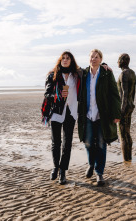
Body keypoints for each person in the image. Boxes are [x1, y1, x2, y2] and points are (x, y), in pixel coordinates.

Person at [78, 49, 121, 186]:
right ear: (88, 58)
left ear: (101, 60)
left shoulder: (107, 73)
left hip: (102, 115)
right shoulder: (84, 74)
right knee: (88, 142)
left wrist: (116, 114)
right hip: (88, 115)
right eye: (92, 56)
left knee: (102, 144)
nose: (94, 59)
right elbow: (70, 70)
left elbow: (114, 94)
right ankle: (91, 164)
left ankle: (99, 173)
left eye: (97, 57)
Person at [43, 51, 81, 185]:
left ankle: (63, 171)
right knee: (56, 142)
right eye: (63, 58)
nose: (65, 60)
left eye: (68, 58)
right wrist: (57, 95)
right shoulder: (53, 75)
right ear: (60, 60)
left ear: (71, 61)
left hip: (71, 112)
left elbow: (92, 68)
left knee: (67, 143)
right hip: (56, 112)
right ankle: (55, 166)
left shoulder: (77, 75)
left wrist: (105, 65)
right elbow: (47, 94)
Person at [117, 53, 136, 162]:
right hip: (130, 105)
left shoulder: (123, 74)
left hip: (124, 107)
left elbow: (124, 94)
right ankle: (129, 157)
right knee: (127, 132)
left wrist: (121, 110)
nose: (117, 62)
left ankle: (126, 159)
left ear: (122, 61)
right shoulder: (133, 73)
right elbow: (131, 93)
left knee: (123, 134)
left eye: (118, 60)